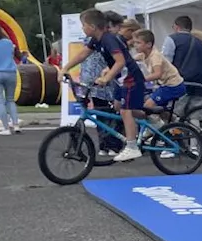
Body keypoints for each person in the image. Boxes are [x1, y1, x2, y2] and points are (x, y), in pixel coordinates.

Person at [61, 10, 147, 162]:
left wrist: (106, 78)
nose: (82, 29)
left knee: (126, 111)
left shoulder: (109, 39)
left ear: (93, 26)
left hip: (131, 78)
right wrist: (65, 68)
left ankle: (132, 147)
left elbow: (120, 62)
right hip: (122, 79)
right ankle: (151, 119)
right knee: (121, 108)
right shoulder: (96, 39)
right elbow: (83, 54)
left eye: (84, 25)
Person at [133, 30, 186, 113]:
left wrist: (140, 79)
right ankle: (174, 124)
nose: (135, 45)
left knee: (147, 107)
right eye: (135, 43)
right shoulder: (143, 54)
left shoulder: (155, 56)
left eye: (138, 43)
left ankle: (165, 125)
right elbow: (129, 60)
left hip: (173, 86)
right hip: (166, 85)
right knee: (160, 111)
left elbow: (157, 74)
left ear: (149, 44)